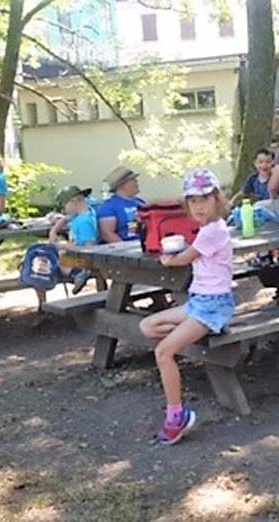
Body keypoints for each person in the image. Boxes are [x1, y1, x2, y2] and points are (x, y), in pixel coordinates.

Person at [139, 168, 234, 445]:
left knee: (163, 352)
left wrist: (169, 260)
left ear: (217, 199)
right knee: (146, 326)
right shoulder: (207, 229)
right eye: (193, 201)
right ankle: (197, 332)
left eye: (205, 199)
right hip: (199, 302)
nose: (199, 206)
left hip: (213, 305)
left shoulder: (213, 231)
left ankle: (176, 416)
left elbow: (184, 258)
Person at [50, 185, 98, 294]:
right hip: (78, 255)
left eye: (64, 206)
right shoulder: (83, 213)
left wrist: (66, 245)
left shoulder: (84, 222)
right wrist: (54, 230)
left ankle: (77, 274)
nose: (63, 210)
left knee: (55, 258)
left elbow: (89, 247)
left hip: (85, 260)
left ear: (73, 201)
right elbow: (65, 219)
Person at [97, 166, 145, 243]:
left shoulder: (140, 202)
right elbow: (107, 234)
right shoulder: (109, 207)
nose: (136, 181)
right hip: (128, 248)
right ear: (122, 185)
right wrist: (126, 247)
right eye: (132, 179)